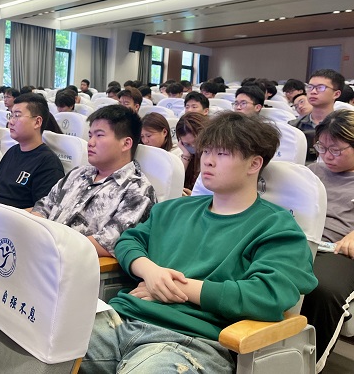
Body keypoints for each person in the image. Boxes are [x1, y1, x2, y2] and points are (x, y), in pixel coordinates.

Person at [79, 112, 317, 374]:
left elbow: (268, 295)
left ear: (254, 164)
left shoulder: (277, 227)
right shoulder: (174, 209)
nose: (208, 161)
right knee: (46, 348)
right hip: (123, 319)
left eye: (222, 154)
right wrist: (150, 271)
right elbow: (128, 241)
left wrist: (170, 287)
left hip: (192, 341)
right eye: (206, 152)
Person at [31, 105, 156, 257]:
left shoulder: (138, 190)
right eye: (90, 135)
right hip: (42, 251)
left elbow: (108, 243)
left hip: (74, 262)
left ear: (126, 144)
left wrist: (49, 245)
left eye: (99, 135)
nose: (90, 142)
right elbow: (44, 207)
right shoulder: (78, 173)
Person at [299, 110, 354, 371]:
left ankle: (309, 364)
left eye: (336, 150)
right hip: (304, 241)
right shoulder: (312, 172)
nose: (327, 156)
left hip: (339, 251)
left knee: (322, 289)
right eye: (322, 147)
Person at [0, 93, 64, 212]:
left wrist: (1, 216)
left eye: (17, 116)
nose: (10, 122)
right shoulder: (12, 151)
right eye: (11, 115)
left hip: (9, 220)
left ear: (37, 122)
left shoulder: (48, 163)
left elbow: (44, 210)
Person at [289, 69, 344, 162]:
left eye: (320, 88)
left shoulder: (346, 127)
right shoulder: (293, 126)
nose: (313, 91)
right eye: (310, 87)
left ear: (336, 94)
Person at [176, 112, 209, 194]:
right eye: (187, 144)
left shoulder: (216, 157)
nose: (194, 147)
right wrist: (186, 155)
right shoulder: (180, 153)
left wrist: (194, 196)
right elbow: (174, 184)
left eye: (196, 142)